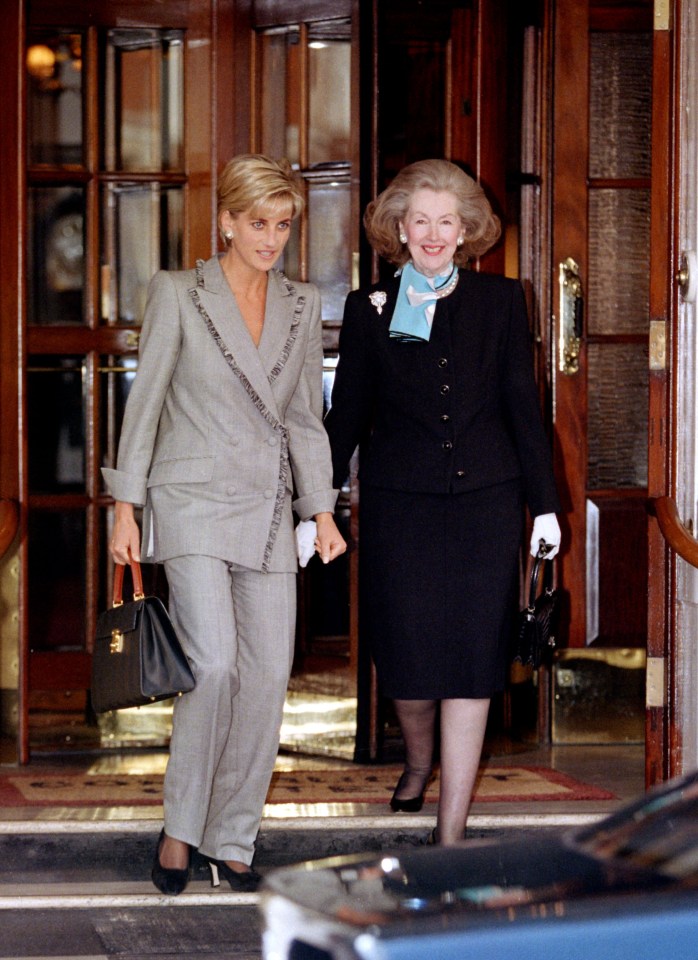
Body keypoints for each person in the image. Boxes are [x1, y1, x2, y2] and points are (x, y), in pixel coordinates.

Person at [103, 154, 346, 894]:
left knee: (268, 676)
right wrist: (125, 503)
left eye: (282, 226)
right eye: (258, 224)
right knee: (213, 666)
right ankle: (181, 832)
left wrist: (322, 507)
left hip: (270, 511)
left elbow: (305, 417)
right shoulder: (180, 293)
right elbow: (145, 407)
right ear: (227, 223)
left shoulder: (302, 305)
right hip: (191, 502)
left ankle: (231, 838)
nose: (271, 239)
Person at [323, 158, 562, 846]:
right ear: (401, 229)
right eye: (419, 221)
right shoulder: (373, 307)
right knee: (408, 668)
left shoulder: (500, 301)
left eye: (446, 222)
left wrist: (544, 507)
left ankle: (449, 830)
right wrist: (319, 503)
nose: (432, 234)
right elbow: (349, 416)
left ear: (465, 232)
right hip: (403, 509)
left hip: (487, 505)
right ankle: (418, 755)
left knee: (471, 663)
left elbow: (523, 407)